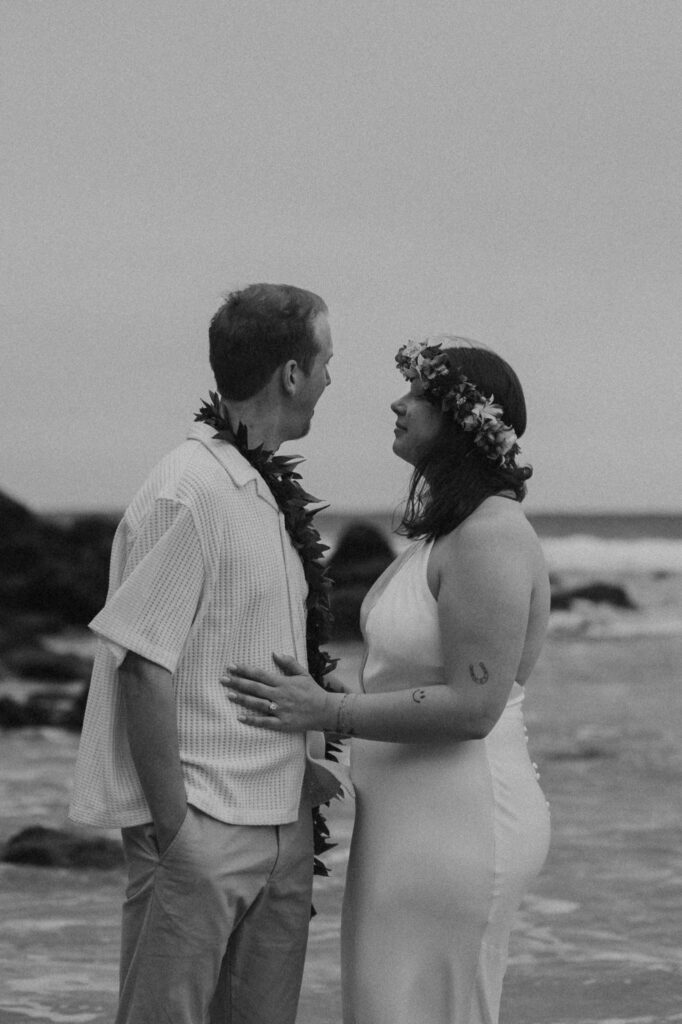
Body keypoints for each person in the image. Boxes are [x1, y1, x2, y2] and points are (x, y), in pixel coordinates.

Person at [224, 335, 552, 1024]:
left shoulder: (491, 534)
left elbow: (474, 706)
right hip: (407, 821)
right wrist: (313, 712)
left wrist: (325, 712)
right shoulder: (443, 536)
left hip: (457, 822)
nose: (396, 404)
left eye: (417, 395)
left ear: (461, 418)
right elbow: (417, 683)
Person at [69, 283, 349, 1024]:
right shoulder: (189, 492)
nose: (330, 381)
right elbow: (142, 662)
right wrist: (179, 834)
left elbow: (230, 651)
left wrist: (302, 761)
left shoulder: (257, 489)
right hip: (205, 827)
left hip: (280, 822)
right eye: (326, 362)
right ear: (291, 373)